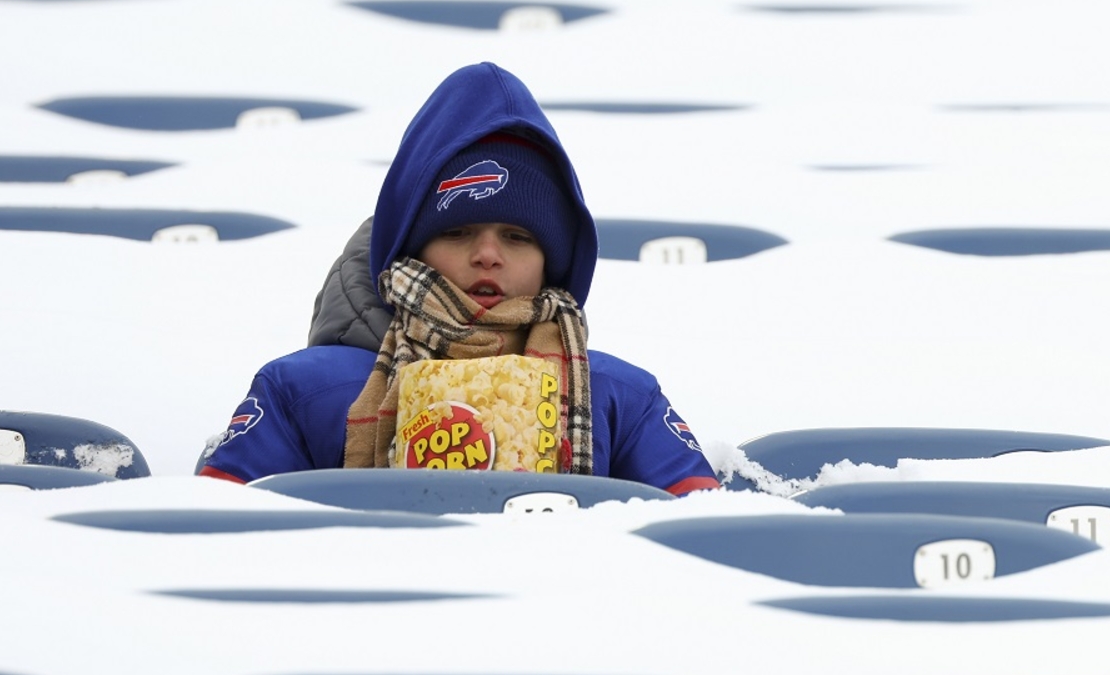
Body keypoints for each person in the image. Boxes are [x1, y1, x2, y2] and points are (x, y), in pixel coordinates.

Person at [197, 62, 721, 495]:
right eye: (458, 231)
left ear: (552, 262)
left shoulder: (618, 397)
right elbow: (212, 530)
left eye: (518, 236)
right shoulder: (304, 389)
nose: (488, 255)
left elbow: (703, 543)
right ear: (411, 246)